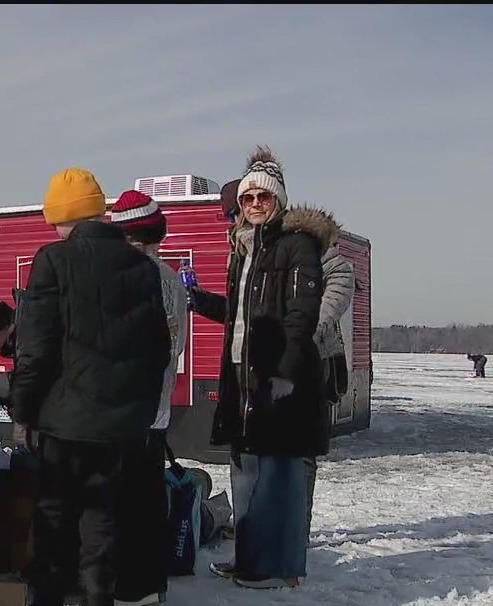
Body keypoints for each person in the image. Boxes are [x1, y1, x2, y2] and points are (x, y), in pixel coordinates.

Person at [9, 167, 171, 606]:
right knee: (101, 523)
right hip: (121, 425)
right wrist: (138, 414)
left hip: (64, 423)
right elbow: (159, 349)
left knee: (55, 520)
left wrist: (22, 409)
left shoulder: (53, 261)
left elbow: (36, 350)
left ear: (61, 217)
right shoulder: (143, 267)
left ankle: (50, 598)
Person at [187, 146, 325, 588]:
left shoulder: (296, 246)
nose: (254, 206)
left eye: (263, 198)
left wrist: (285, 372)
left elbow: (300, 315)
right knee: (244, 471)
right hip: (241, 376)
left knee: (278, 478)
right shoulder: (245, 249)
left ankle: (274, 567)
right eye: (247, 199)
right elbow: (242, 313)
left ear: (278, 200)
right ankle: (247, 558)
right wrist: (203, 302)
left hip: (278, 378)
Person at [216, 177, 356, 547]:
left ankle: (295, 535)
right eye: (237, 208)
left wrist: (296, 338)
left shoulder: (312, 250)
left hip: (311, 363)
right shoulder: (248, 248)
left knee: (298, 454)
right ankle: (262, 536)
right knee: (259, 452)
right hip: (263, 365)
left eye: (239, 209)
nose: (238, 217)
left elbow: (330, 295)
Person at [109, 190, 187, 606]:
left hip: (120, 413)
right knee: (148, 501)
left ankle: (127, 586)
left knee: (122, 504)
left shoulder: (124, 277)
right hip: (155, 411)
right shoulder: (172, 279)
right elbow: (176, 348)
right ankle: (147, 585)